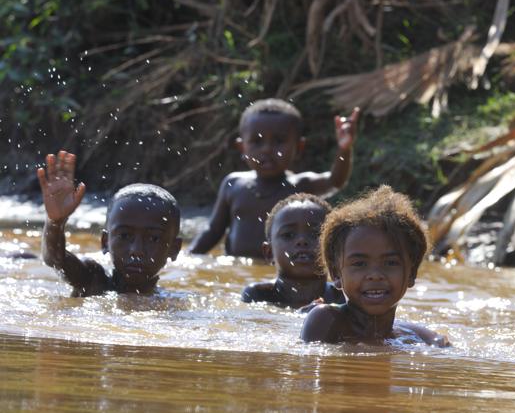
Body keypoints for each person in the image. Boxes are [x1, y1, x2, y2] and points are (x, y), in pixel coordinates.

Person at [189, 99, 360, 258]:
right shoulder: (233, 184)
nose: (267, 149)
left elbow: (335, 181)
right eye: (257, 141)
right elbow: (213, 231)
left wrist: (344, 149)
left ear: (299, 147)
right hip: (235, 267)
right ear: (242, 147)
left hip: (281, 275)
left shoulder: (300, 185)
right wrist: (190, 257)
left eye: (279, 141)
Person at [301, 186, 449, 347]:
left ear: (412, 273)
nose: (375, 275)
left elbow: (443, 347)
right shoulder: (325, 320)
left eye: (390, 263)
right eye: (360, 264)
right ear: (336, 274)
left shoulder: (417, 337)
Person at [38, 150, 182, 297]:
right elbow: (56, 259)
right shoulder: (93, 280)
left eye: (154, 238)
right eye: (125, 236)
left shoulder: (173, 301)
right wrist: (55, 222)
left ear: (174, 248)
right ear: (105, 242)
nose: (136, 250)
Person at [241, 193, 344, 308]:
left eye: (316, 234)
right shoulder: (258, 295)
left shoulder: (342, 297)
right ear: (269, 253)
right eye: (288, 235)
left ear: (334, 250)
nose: (302, 241)